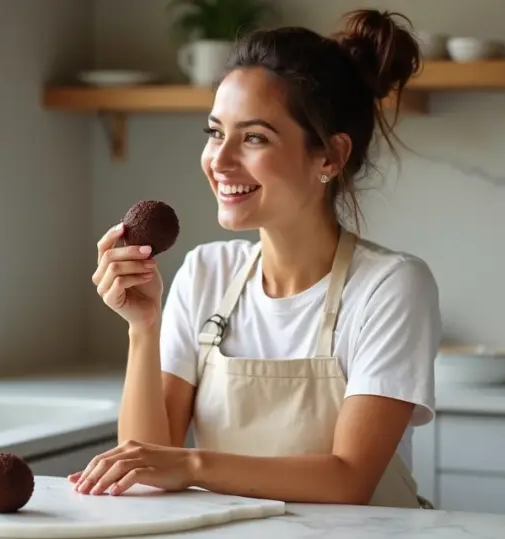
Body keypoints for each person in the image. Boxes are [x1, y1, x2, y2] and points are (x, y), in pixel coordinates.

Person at [72, 9, 441, 508]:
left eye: (253, 138)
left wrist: (193, 464)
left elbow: (348, 479)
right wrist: (142, 327)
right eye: (214, 132)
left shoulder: (391, 286)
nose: (219, 161)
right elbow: (148, 465)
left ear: (330, 156)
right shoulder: (206, 272)